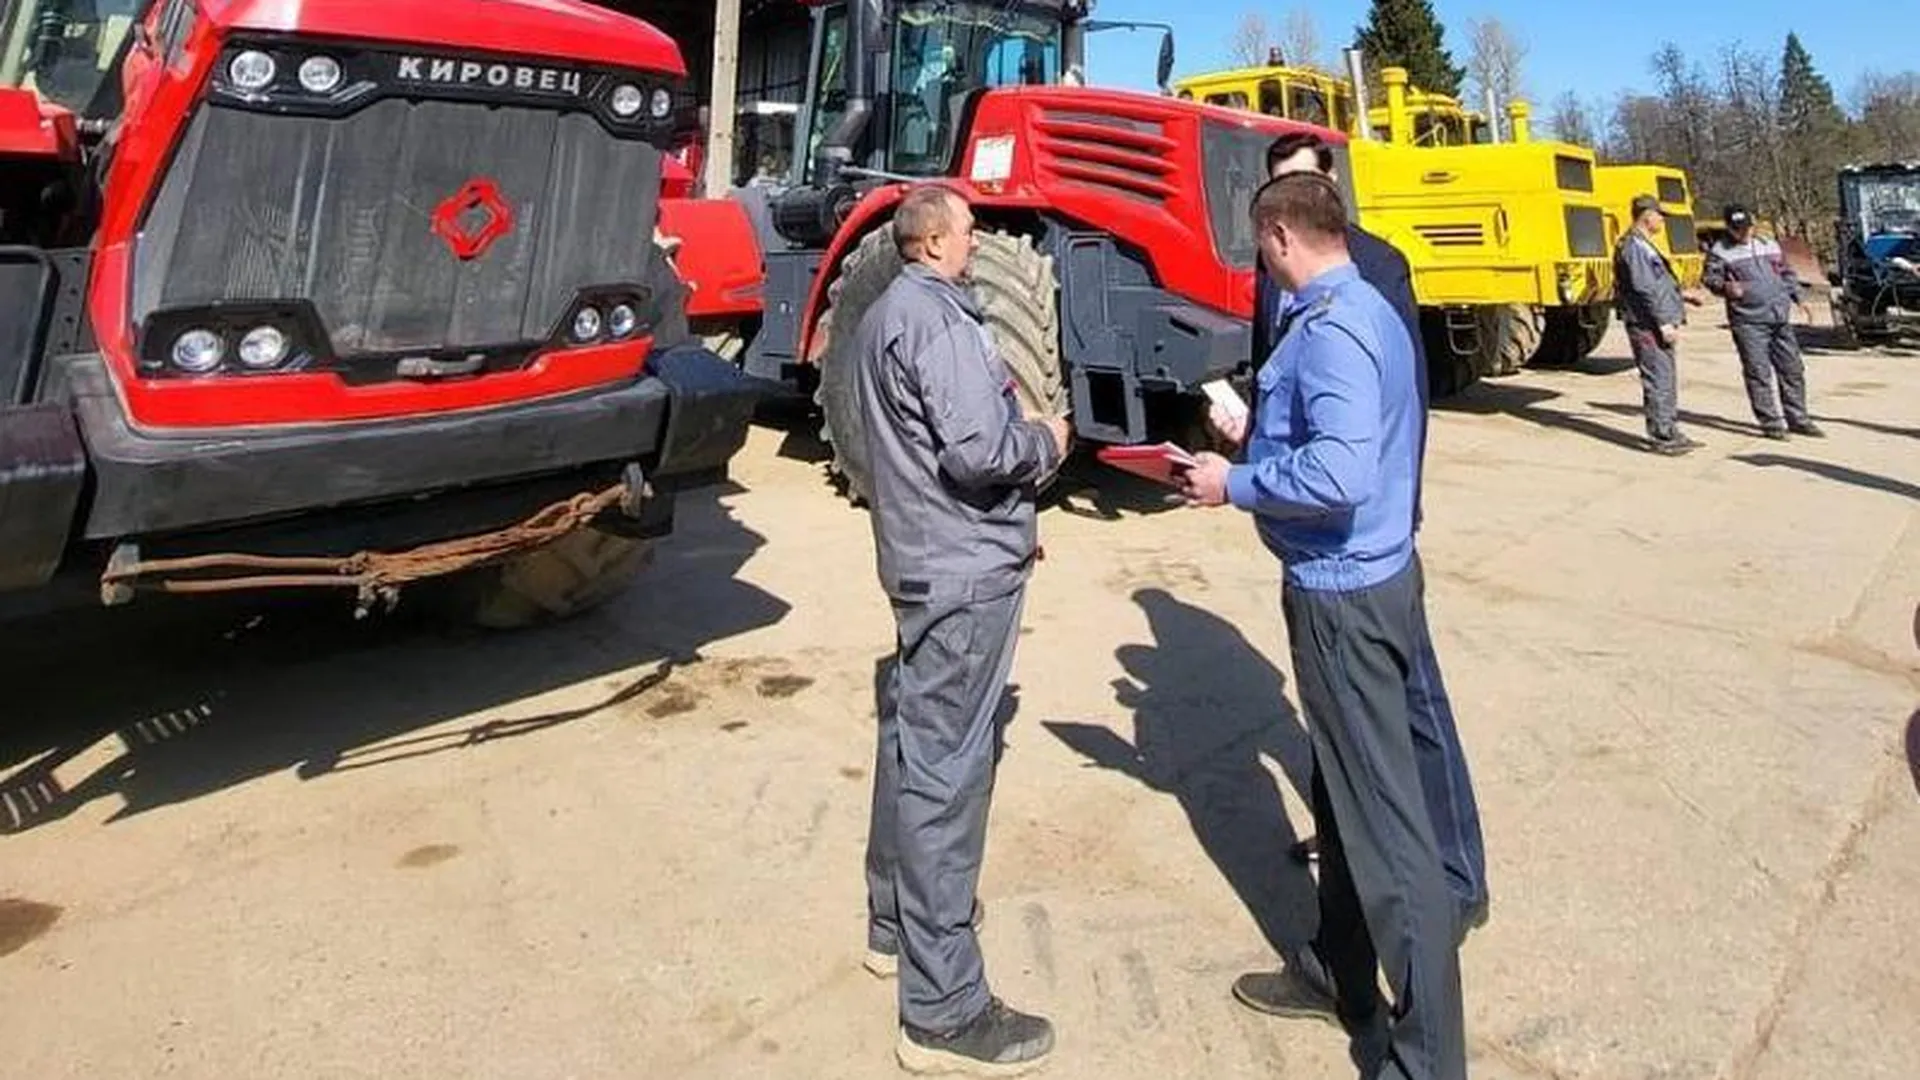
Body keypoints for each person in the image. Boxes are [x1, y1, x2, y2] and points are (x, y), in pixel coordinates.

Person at [1179, 171, 1466, 1080]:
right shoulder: (1368, 309)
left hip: (1344, 594)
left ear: (1277, 237)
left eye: (1259, 247)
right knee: (1344, 801)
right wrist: (1256, 438)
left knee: (1389, 837)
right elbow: (1348, 444)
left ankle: (1425, 1061)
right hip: (1366, 576)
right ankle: (1338, 970)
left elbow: (1340, 475)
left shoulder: (1334, 329)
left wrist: (1236, 484)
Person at [1236, 133, 1488, 1027]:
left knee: (1399, 767)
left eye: (1301, 177)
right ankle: (1337, 961)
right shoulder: (1309, 285)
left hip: (1356, 562)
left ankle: (1432, 995)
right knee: (1351, 779)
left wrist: (1241, 479)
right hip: (1339, 549)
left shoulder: (1365, 282)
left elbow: (1374, 429)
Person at [850, 183, 1071, 1077]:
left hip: (928, 556)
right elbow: (979, 451)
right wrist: (1047, 443)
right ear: (933, 240)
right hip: (961, 576)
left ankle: (894, 926)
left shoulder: (886, 317)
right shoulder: (939, 323)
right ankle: (942, 1009)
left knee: (912, 744)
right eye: (971, 231)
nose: (979, 244)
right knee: (949, 773)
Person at [1702, 205, 1824, 440]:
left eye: (1747, 227)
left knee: (1792, 370)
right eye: (1738, 229)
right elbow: (1709, 278)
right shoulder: (1720, 251)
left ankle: (1798, 418)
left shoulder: (1769, 244)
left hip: (1779, 317)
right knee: (1758, 372)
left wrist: (1799, 298)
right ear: (1729, 228)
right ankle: (1771, 423)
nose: (1744, 233)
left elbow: (1786, 272)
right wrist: (1725, 287)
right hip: (1748, 320)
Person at [1614, 194, 1702, 455]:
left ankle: (1670, 428)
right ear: (1647, 215)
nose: (1662, 220)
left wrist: (1681, 295)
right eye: (1660, 215)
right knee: (1658, 379)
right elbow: (1644, 289)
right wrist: (1663, 322)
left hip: (1655, 321)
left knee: (1667, 377)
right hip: (1647, 324)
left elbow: (1657, 284)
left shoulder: (1645, 245)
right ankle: (1661, 435)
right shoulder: (1633, 247)